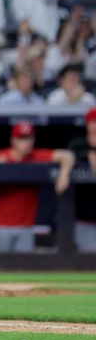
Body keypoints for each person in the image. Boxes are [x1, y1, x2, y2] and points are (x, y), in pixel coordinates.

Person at [0, 122, 74, 253]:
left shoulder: (36, 156)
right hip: (2, 225)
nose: (26, 142)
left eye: (29, 138)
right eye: (22, 139)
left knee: (25, 270)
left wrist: (63, 175)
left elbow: (67, 155)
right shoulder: (1, 156)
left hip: (26, 227)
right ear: (13, 140)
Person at [67, 107, 96, 252]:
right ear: (87, 124)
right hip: (84, 218)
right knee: (89, 262)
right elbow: (67, 156)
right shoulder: (78, 144)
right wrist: (88, 154)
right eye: (93, 122)